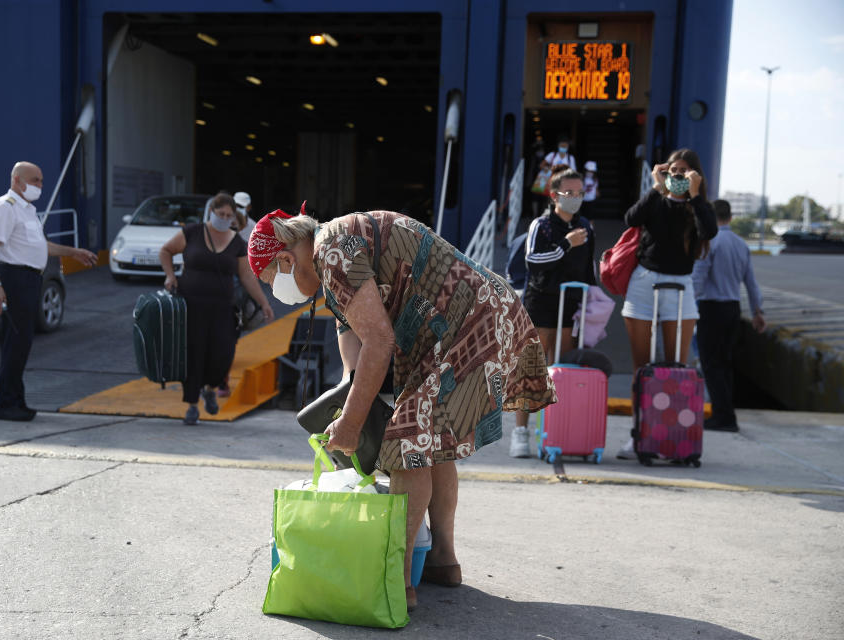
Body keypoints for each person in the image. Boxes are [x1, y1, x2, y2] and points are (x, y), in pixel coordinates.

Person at [247, 207, 556, 611]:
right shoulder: (332, 251)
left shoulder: (333, 251)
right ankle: (442, 560)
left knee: (407, 447)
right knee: (430, 445)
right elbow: (355, 344)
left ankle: (395, 577)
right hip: (479, 316)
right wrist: (349, 396)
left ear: (286, 259)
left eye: (272, 280)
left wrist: (354, 424)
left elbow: (379, 342)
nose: (278, 291)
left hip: (466, 324)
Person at [617, 148, 717, 458]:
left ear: (695, 175)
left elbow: (708, 232)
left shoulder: (697, 207)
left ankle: (673, 434)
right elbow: (631, 219)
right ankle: (639, 434)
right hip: (644, 283)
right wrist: (656, 186)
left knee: (676, 367)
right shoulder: (656, 201)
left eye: (685, 171)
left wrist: (696, 195)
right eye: (674, 170)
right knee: (642, 368)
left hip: (681, 286)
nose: (678, 176)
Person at [0, 162, 98, 421]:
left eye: (41, 181)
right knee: (15, 343)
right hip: (15, 278)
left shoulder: (28, 211)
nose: (39, 186)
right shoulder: (5, 208)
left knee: (22, 343)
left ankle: (16, 400)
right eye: (34, 180)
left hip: (30, 280)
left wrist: (74, 252)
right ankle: (6, 404)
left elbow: (41, 245)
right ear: (16, 180)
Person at [160, 192, 274, 424]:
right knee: (193, 355)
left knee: (223, 353)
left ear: (234, 217)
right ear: (211, 212)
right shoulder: (191, 233)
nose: (224, 217)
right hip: (191, 306)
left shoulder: (237, 243)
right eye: (220, 213)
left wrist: (264, 303)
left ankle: (211, 388)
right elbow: (166, 251)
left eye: (228, 215)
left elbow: (247, 277)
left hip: (223, 308)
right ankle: (192, 405)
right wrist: (170, 276)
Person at [509, 169, 595, 458]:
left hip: (571, 304)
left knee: (563, 370)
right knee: (532, 367)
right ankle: (520, 431)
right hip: (542, 300)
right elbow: (533, 260)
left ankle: (557, 428)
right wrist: (567, 244)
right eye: (568, 193)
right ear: (554, 195)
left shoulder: (587, 227)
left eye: (579, 193)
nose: (575, 198)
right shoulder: (542, 225)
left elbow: (589, 270)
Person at [691, 199, 767, 432]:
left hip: (711, 308)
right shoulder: (741, 245)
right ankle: (726, 413)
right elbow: (751, 283)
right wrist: (757, 311)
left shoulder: (709, 242)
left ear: (711, 218)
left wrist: (685, 306)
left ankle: (722, 416)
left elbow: (698, 279)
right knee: (724, 363)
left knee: (710, 363)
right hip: (733, 308)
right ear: (731, 218)